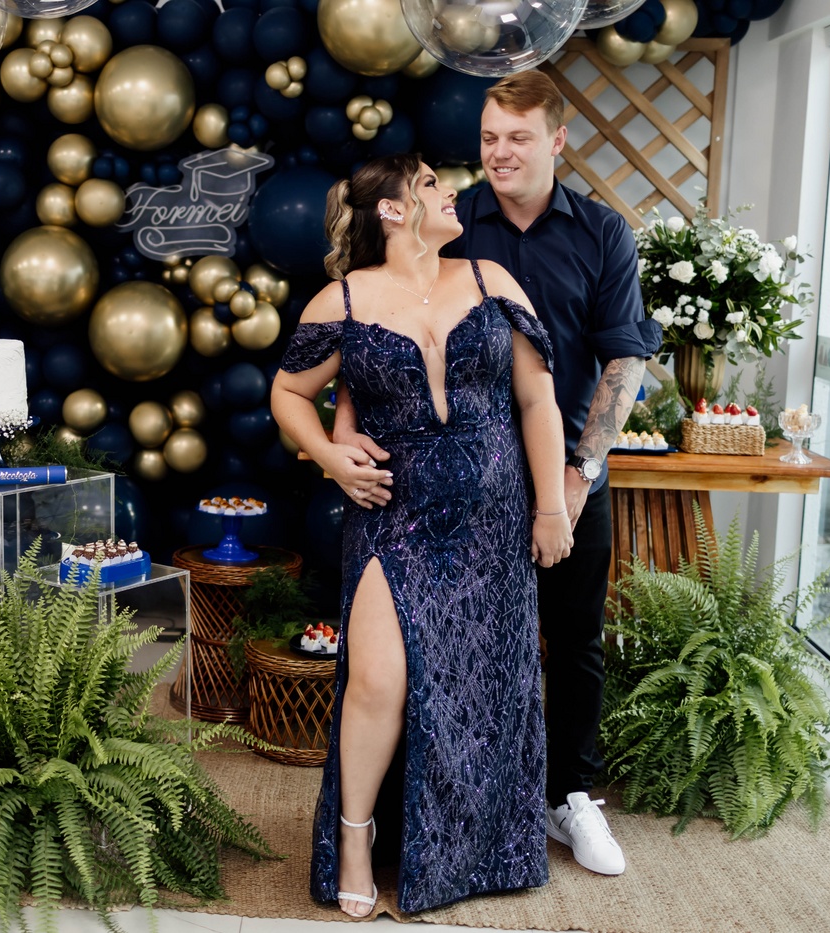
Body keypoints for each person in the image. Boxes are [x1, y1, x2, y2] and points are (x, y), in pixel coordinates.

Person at [332, 71, 662, 878]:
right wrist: (342, 430)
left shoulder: (602, 233)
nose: (499, 152)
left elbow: (625, 358)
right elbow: (372, 317)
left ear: (557, 140)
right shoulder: (449, 222)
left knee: (573, 636)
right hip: (455, 486)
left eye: (518, 137)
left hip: (568, 472)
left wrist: (578, 473)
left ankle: (571, 795)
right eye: (488, 138)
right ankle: (440, 810)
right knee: (452, 650)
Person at [271, 152, 573, 918]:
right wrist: (330, 456)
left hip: (493, 520)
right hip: (392, 515)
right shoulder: (342, 300)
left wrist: (551, 506)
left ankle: (471, 848)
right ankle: (355, 836)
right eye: (432, 184)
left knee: (485, 685)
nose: (452, 193)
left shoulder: (490, 281)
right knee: (377, 680)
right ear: (393, 209)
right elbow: (289, 391)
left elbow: (537, 400)